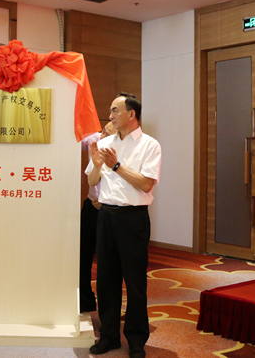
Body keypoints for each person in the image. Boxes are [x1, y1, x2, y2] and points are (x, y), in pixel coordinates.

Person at [86, 93, 161, 358]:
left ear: (132, 114)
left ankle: (137, 340)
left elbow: (146, 184)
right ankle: (109, 336)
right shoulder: (103, 143)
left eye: (115, 110)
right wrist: (98, 166)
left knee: (135, 280)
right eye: (110, 110)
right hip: (106, 217)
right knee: (106, 280)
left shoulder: (150, 145)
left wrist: (116, 165)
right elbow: (92, 181)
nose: (110, 116)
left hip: (133, 218)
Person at [79, 122, 116, 313]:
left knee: (107, 262)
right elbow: (73, 138)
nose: (103, 137)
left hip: (110, 210)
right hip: (91, 207)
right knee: (82, 257)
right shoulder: (94, 140)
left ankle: (108, 309)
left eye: (108, 135)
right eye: (103, 131)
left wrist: (106, 200)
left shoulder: (123, 150)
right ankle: (85, 301)